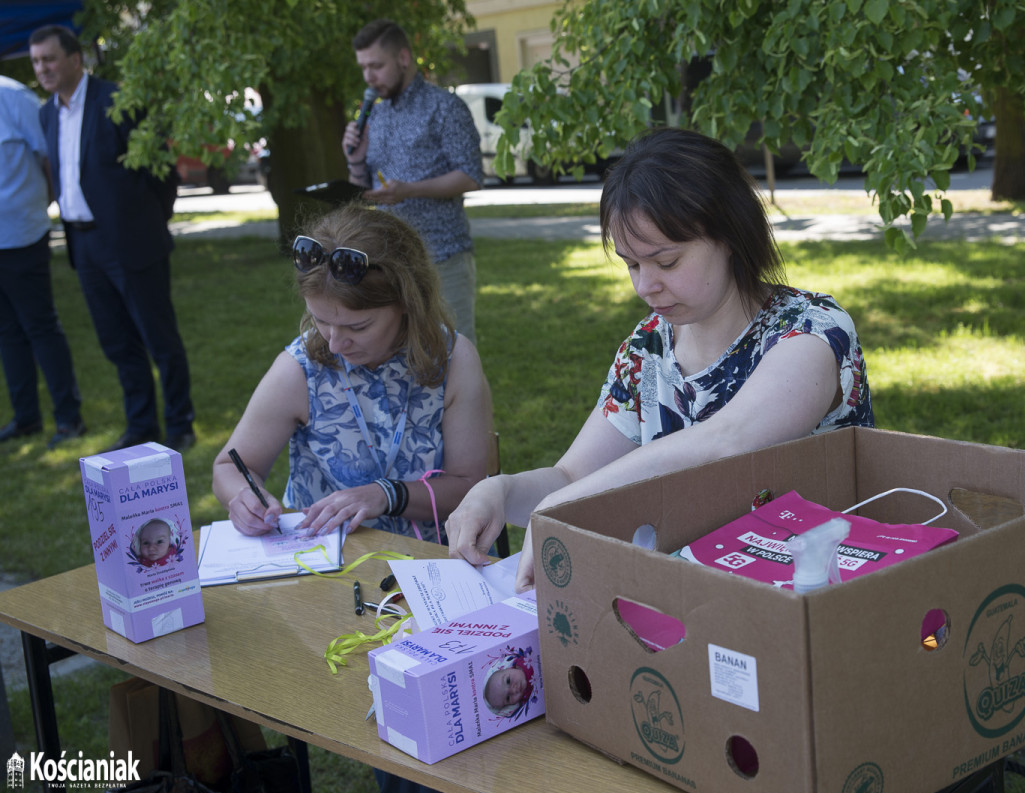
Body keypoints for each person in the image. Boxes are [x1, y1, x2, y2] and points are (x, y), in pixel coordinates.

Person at [447, 127, 875, 591]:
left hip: (818, 605)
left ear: (730, 236)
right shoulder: (647, 348)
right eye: (631, 263)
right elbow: (573, 476)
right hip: (690, 606)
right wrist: (501, 491)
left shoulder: (811, 332)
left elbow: (726, 442)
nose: (644, 286)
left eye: (666, 262)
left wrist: (562, 503)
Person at [211, 204, 492, 547]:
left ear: (408, 301)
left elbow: (472, 486)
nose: (335, 343)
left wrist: (387, 495)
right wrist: (243, 498)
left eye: (358, 327)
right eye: (321, 320)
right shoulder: (301, 368)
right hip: (331, 564)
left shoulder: (452, 360)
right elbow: (230, 466)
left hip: (438, 559)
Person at [29, 25, 196, 452]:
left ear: (75, 59)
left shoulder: (117, 100)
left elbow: (160, 171)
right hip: (83, 245)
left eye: (48, 59)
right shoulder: (47, 112)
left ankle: (180, 423)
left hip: (133, 240)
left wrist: (149, 224)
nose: (41, 68)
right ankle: (141, 424)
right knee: (118, 342)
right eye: (35, 61)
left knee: (160, 338)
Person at [342, 19, 485, 344]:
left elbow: (471, 176)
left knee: (454, 354)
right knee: (400, 360)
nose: (368, 76)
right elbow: (362, 190)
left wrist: (409, 191)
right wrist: (355, 159)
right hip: (388, 264)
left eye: (376, 65)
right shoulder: (375, 116)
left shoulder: (445, 107)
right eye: (363, 67)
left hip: (443, 257)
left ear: (403, 58)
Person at [0, 73, 86, 449]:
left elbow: (49, 155)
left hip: (21, 233)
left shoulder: (11, 95)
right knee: (6, 331)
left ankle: (68, 419)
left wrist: (43, 204)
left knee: (39, 326)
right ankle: (26, 418)